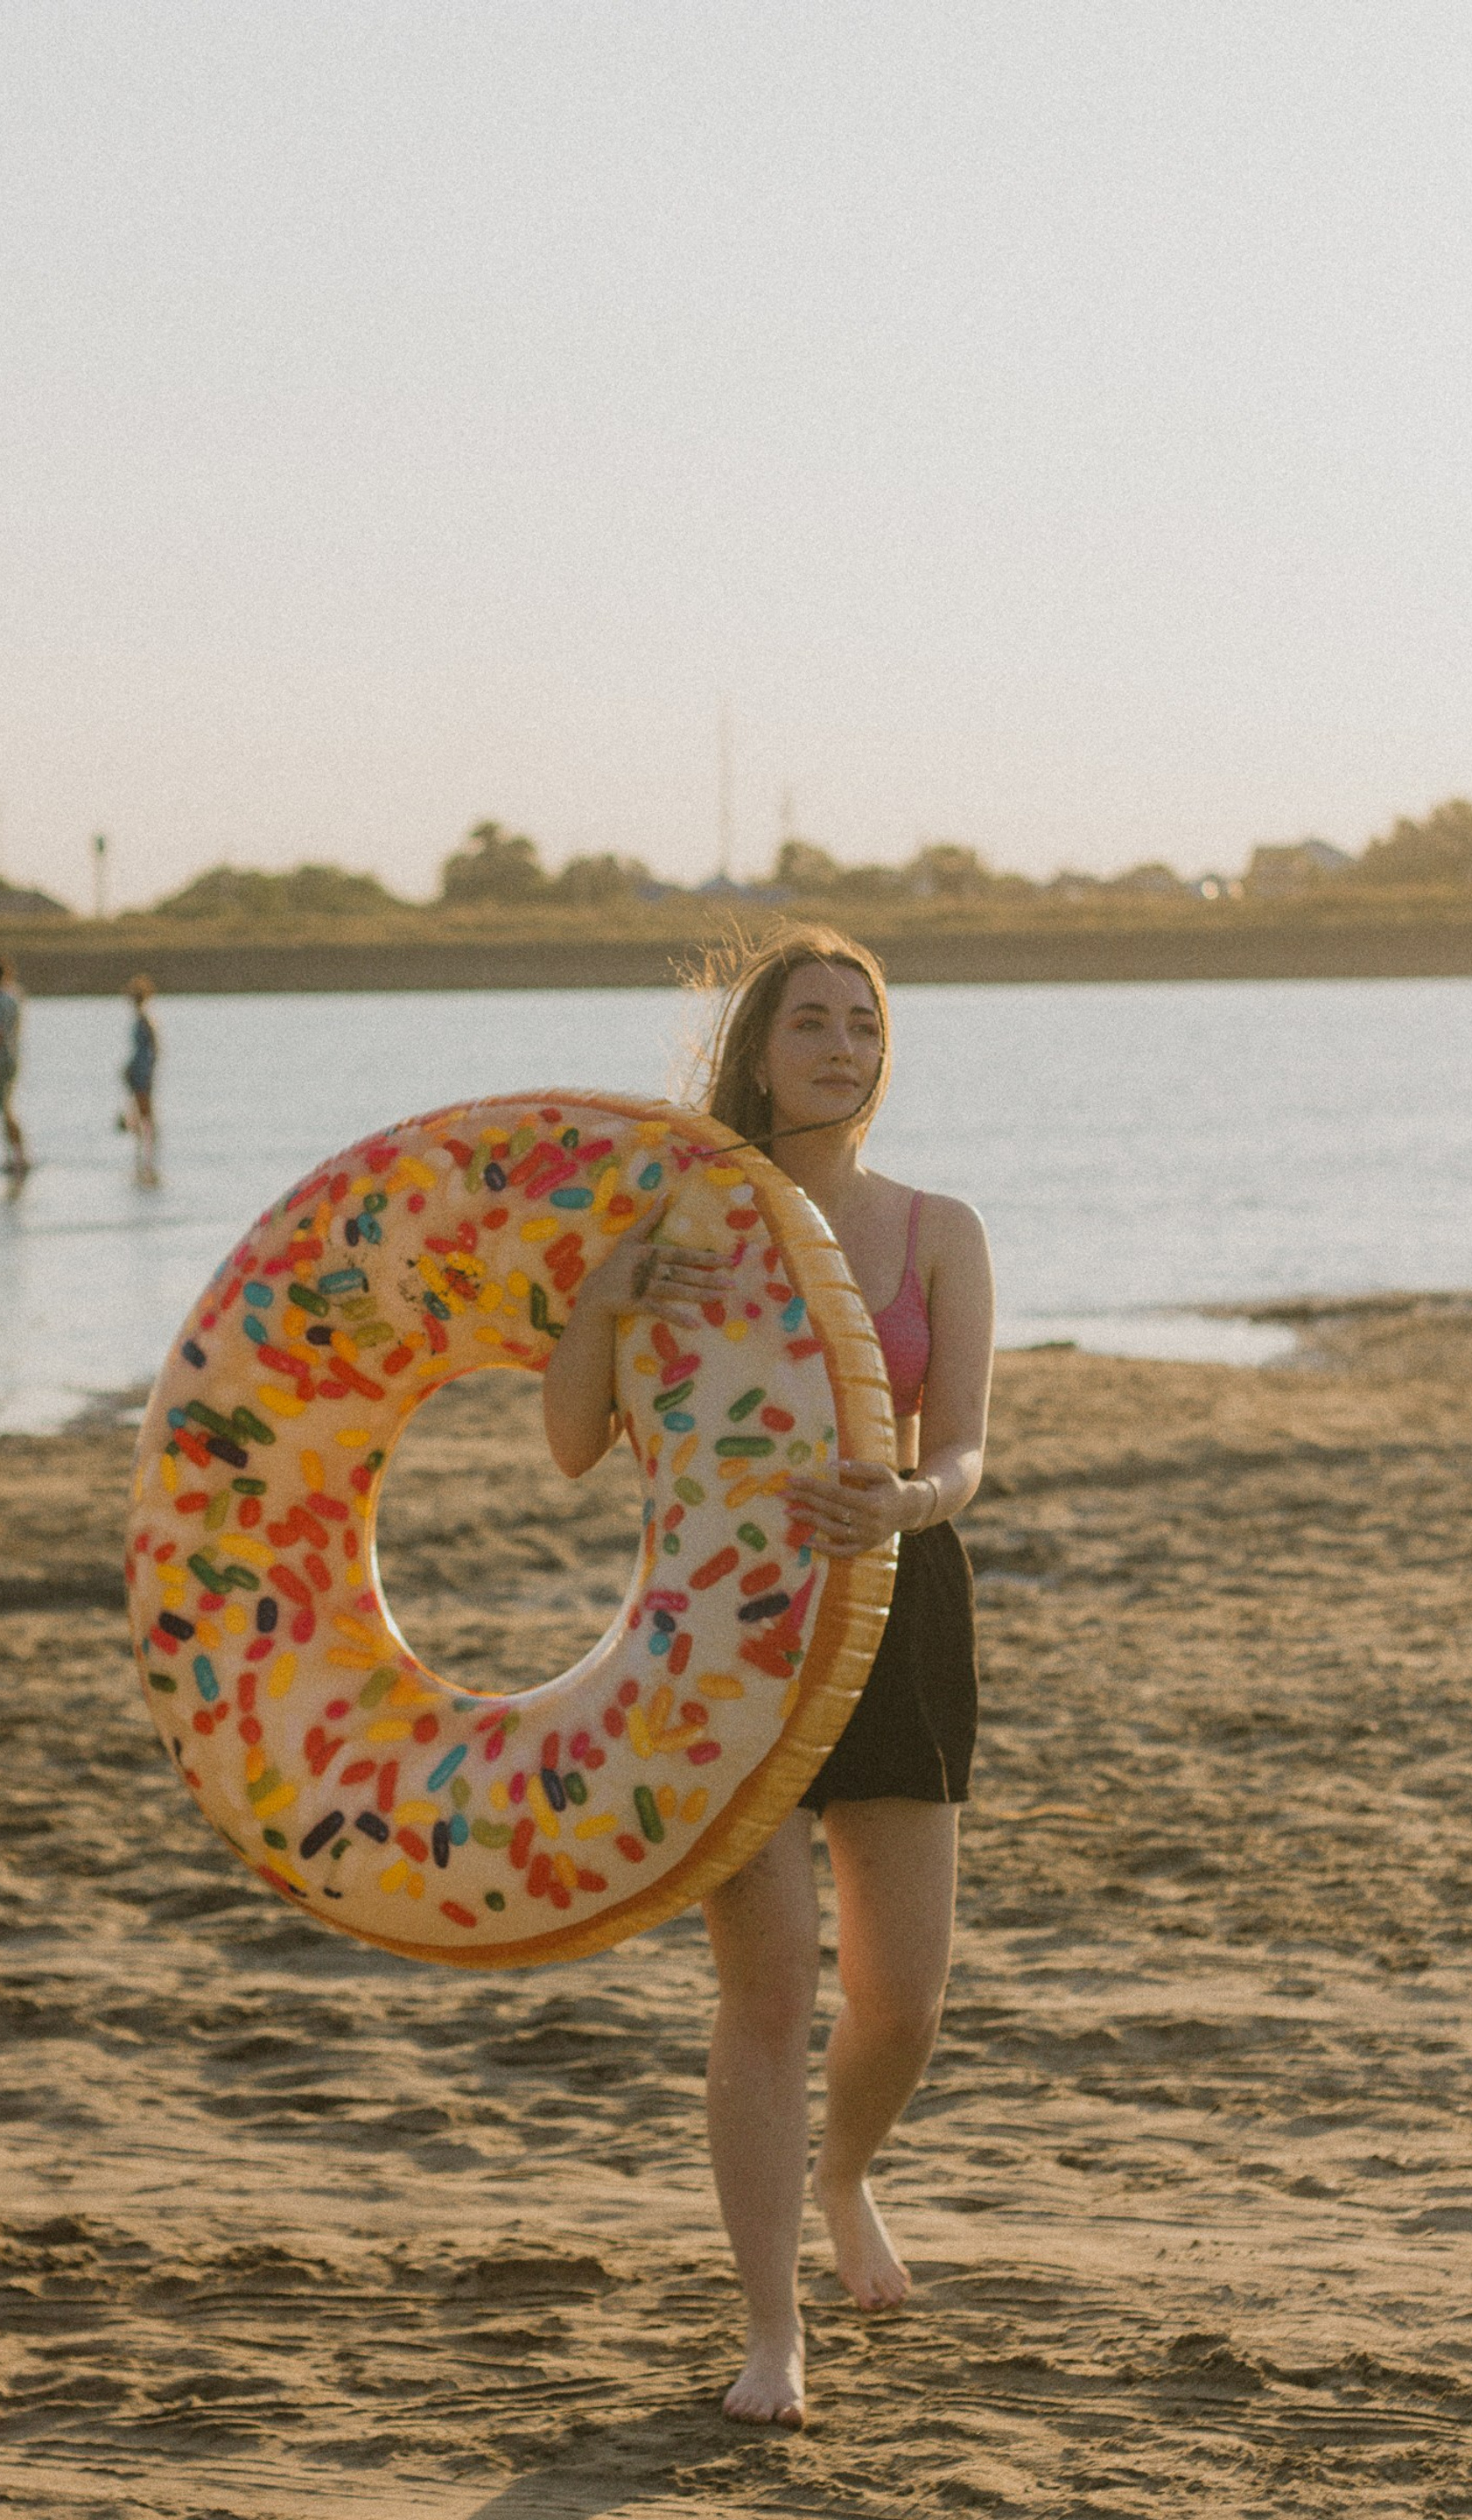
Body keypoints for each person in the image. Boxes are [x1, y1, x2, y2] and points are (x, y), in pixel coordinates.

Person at [542, 925, 996, 2429]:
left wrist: (910, 1502)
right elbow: (570, 1445)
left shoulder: (937, 1227)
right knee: (765, 1992)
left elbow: (968, 1450)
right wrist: (607, 1293)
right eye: (811, 1022)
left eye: (865, 1024)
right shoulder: (678, 1221)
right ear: (756, 1051)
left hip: (900, 1598)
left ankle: (847, 2173)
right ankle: (771, 2333)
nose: (844, 1048)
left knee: (906, 1997)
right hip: (726, 1621)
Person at [0, 956, 29, 1176]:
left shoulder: (0, 998)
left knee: (4, 1109)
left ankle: (15, 1160)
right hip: (13, 1056)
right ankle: (18, 1158)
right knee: (7, 1108)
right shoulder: (16, 995)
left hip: (1, 1059)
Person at [121, 976, 159, 1183]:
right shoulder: (140, 1018)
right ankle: (142, 1155)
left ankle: (148, 1156)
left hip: (143, 1071)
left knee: (145, 1113)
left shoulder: (145, 1019)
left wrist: (147, 1071)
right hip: (138, 1069)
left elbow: (153, 1048)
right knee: (139, 1113)